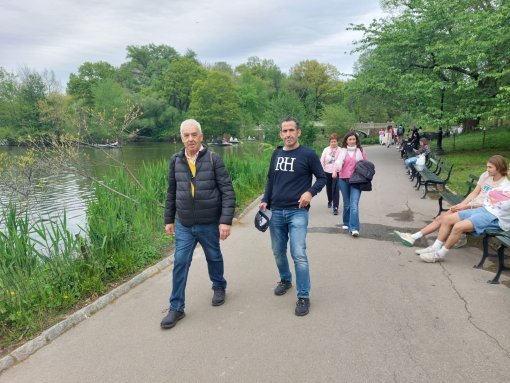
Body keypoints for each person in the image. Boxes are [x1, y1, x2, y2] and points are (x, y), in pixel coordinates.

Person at [161, 119, 235, 329]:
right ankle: (176, 308)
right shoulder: (175, 161)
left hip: (209, 222)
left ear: (201, 136)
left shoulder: (213, 159)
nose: (190, 139)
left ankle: (219, 285)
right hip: (184, 223)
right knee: (180, 263)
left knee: (213, 256)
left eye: (194, 134)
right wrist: (169, 219)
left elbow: (227, 191)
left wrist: (225, 221)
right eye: (186, 135)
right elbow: (171, 192)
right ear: (181, 138)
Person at [259, 117, 326, 316]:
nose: (288, 134)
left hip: (298, 211)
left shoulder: (308, 154)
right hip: (276, 211)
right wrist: (265, 199)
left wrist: (310, 193)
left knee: (299, 254)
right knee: (278, 251)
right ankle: (286, 279)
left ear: (298, 132)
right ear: (281, 134)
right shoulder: (276, 153)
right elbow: (271, 179)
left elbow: (322, 177)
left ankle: (303, 296)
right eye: (284, 131)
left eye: (291, 130)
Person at [395, 155, 509, 253]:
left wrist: (465, 206)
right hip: (470, 205)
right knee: (441, 218)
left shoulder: (503, 185)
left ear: (499, 168)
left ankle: (418, 239)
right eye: (487, 166)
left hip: (482, 210)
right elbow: (474, 193)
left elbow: (490, 206)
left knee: (444, 219)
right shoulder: (486, 175)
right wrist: (461, 204)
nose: (487, 169)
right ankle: (416, 238)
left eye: (490, 167)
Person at [418, 182, 510, 263]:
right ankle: (435, 247)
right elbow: (491, 196)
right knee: (447, 219)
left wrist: (497, 198)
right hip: (484, 209)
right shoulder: (506, 185)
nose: (508, 170)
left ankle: (439, 254)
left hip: (495, 217)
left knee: (458, 227)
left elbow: (504, 206)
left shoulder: (504, 184)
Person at [333, 132, 368, 237]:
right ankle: (346, 222)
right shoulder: (342, 151)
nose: (352, 141)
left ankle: (354, 228)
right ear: (346, 141)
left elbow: (365, 165)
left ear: (356, 140)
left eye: (354, 139)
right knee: (347, 203)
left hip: (357, 181)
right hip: (343, 180)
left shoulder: (361, 151)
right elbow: (337, 163)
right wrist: (335, 172)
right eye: (350, 139)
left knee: (354, 204)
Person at [320, 133, 341, 215]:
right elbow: (322, 161)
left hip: (337, 173)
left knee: (336, 189)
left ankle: (335, 207)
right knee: (329, 188)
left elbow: (342, 161)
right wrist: (321, 172)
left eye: (335, 141)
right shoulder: (326, 150)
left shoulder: (340, 150)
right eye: (332, 141)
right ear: (329, 142)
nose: (333, 143)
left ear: (337, 142)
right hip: (327, 172)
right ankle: (330, 200)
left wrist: (337, 170)